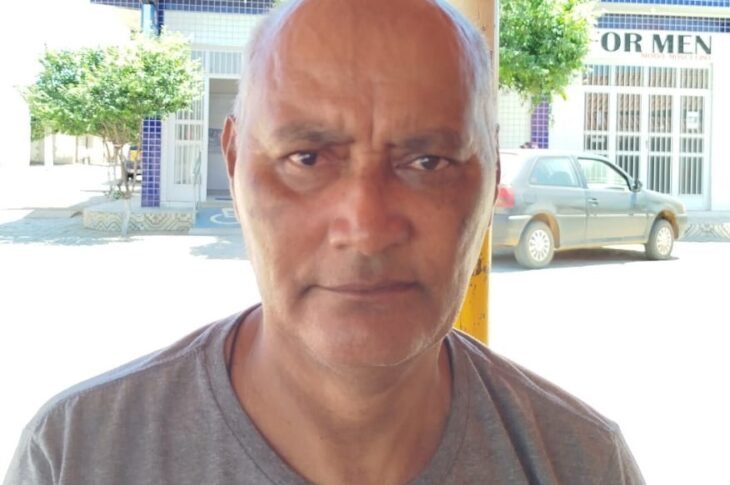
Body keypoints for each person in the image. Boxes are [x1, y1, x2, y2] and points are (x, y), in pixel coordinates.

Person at [4, 1, 645, 484]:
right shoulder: (77, 455)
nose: (365, 228)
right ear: (235, 164)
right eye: (307, 158)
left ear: (492, 177)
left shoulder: (580, 463)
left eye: (428, 162)